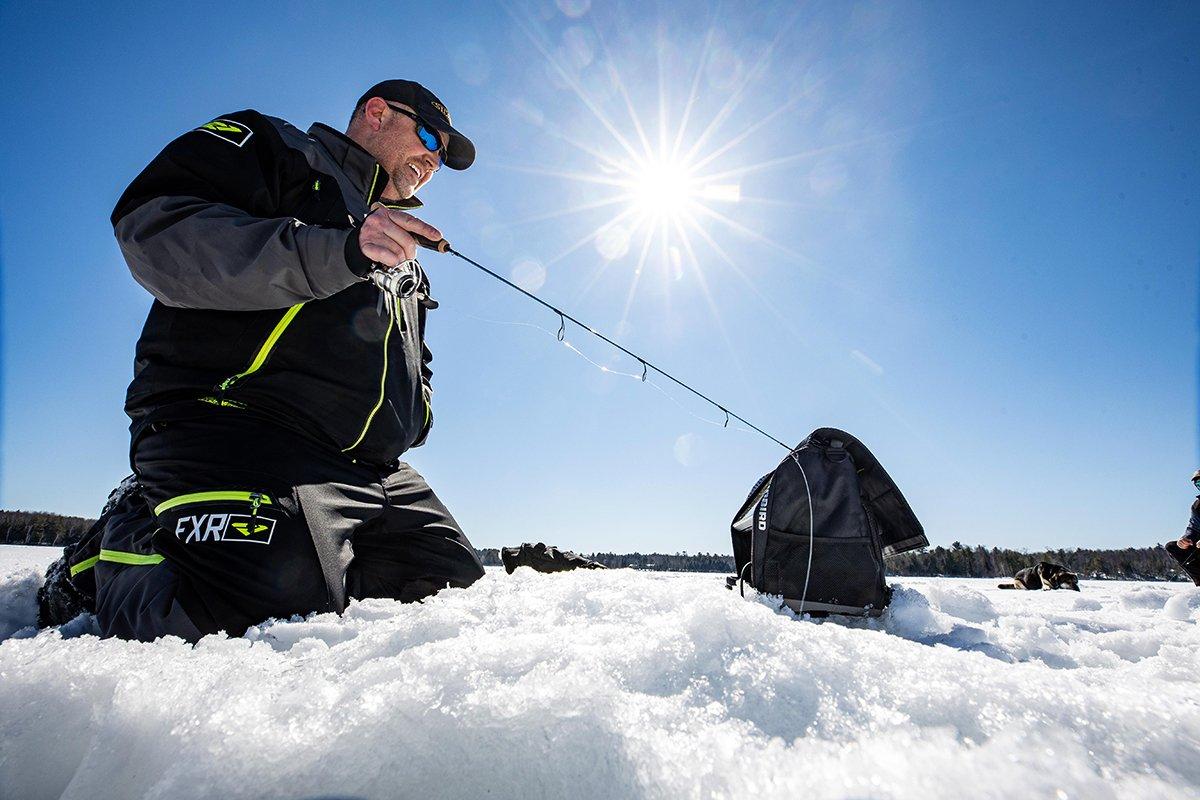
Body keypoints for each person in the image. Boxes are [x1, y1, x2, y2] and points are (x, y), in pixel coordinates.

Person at [81, 80, 485, 641]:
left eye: (443, 155)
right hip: (232, 423)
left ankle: (320, 555)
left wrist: (417, 413)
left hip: (369, 468)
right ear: (375, 113)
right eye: (427, 136)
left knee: (449, 588)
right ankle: (121, 539)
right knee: (258, 610)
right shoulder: (276, 150)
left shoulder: (403, 255)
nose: (434, 159)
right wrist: (340, 250)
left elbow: (412, 355)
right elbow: (155, 230)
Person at [1165, 469, 1200, 586]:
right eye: (1198, 484)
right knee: (1173, 547)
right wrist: (1185, 539)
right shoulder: (1197, 506)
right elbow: (1194, 528)